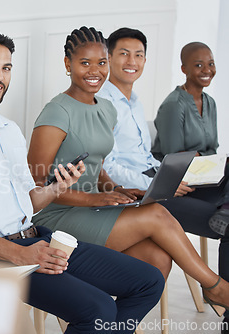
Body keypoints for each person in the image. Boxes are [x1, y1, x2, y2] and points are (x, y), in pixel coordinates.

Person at [0, 31, 164, 334]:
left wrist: (56, 188)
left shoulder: (9, 130)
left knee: (148, 280)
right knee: (99, 309)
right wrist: (20, 254)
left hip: (37, 237)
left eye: (6, 67)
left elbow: (29, 200)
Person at [27, 26, 229, 313]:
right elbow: (34, 186)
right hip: (57, 215)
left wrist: (113, 189)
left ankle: (109, 328)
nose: (94, 71)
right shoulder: (56, 112)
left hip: (93, 207)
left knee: (157, 258)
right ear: (67, 64)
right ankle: (217, 288)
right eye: (85, 63)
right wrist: (92, 198)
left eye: (101, 63)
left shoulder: (106, 109)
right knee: (158, 213)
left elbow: (94, 165)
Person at [97, 28, 229, 324]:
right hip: (141, 192)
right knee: (227, 227)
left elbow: (146, 157)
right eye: (124, 54)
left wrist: (173, 173)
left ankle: (225, 209)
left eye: (139, 55)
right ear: (108, 57)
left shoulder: (134, 101)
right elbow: (109, 165)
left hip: (160, 178)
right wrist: (158, 183)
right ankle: (221, 296)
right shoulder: (102, 104)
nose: (133, 61)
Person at [151, 41, 229, 239]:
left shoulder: (210, 103)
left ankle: (226, 208)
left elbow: (213, 148)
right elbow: (174, 158)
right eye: (198, 65)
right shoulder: (174, 105)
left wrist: (201, 156)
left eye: (211, 64)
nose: (207, 70)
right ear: (184, 69)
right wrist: (204, 157)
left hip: (203, 173)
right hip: (178, 181)